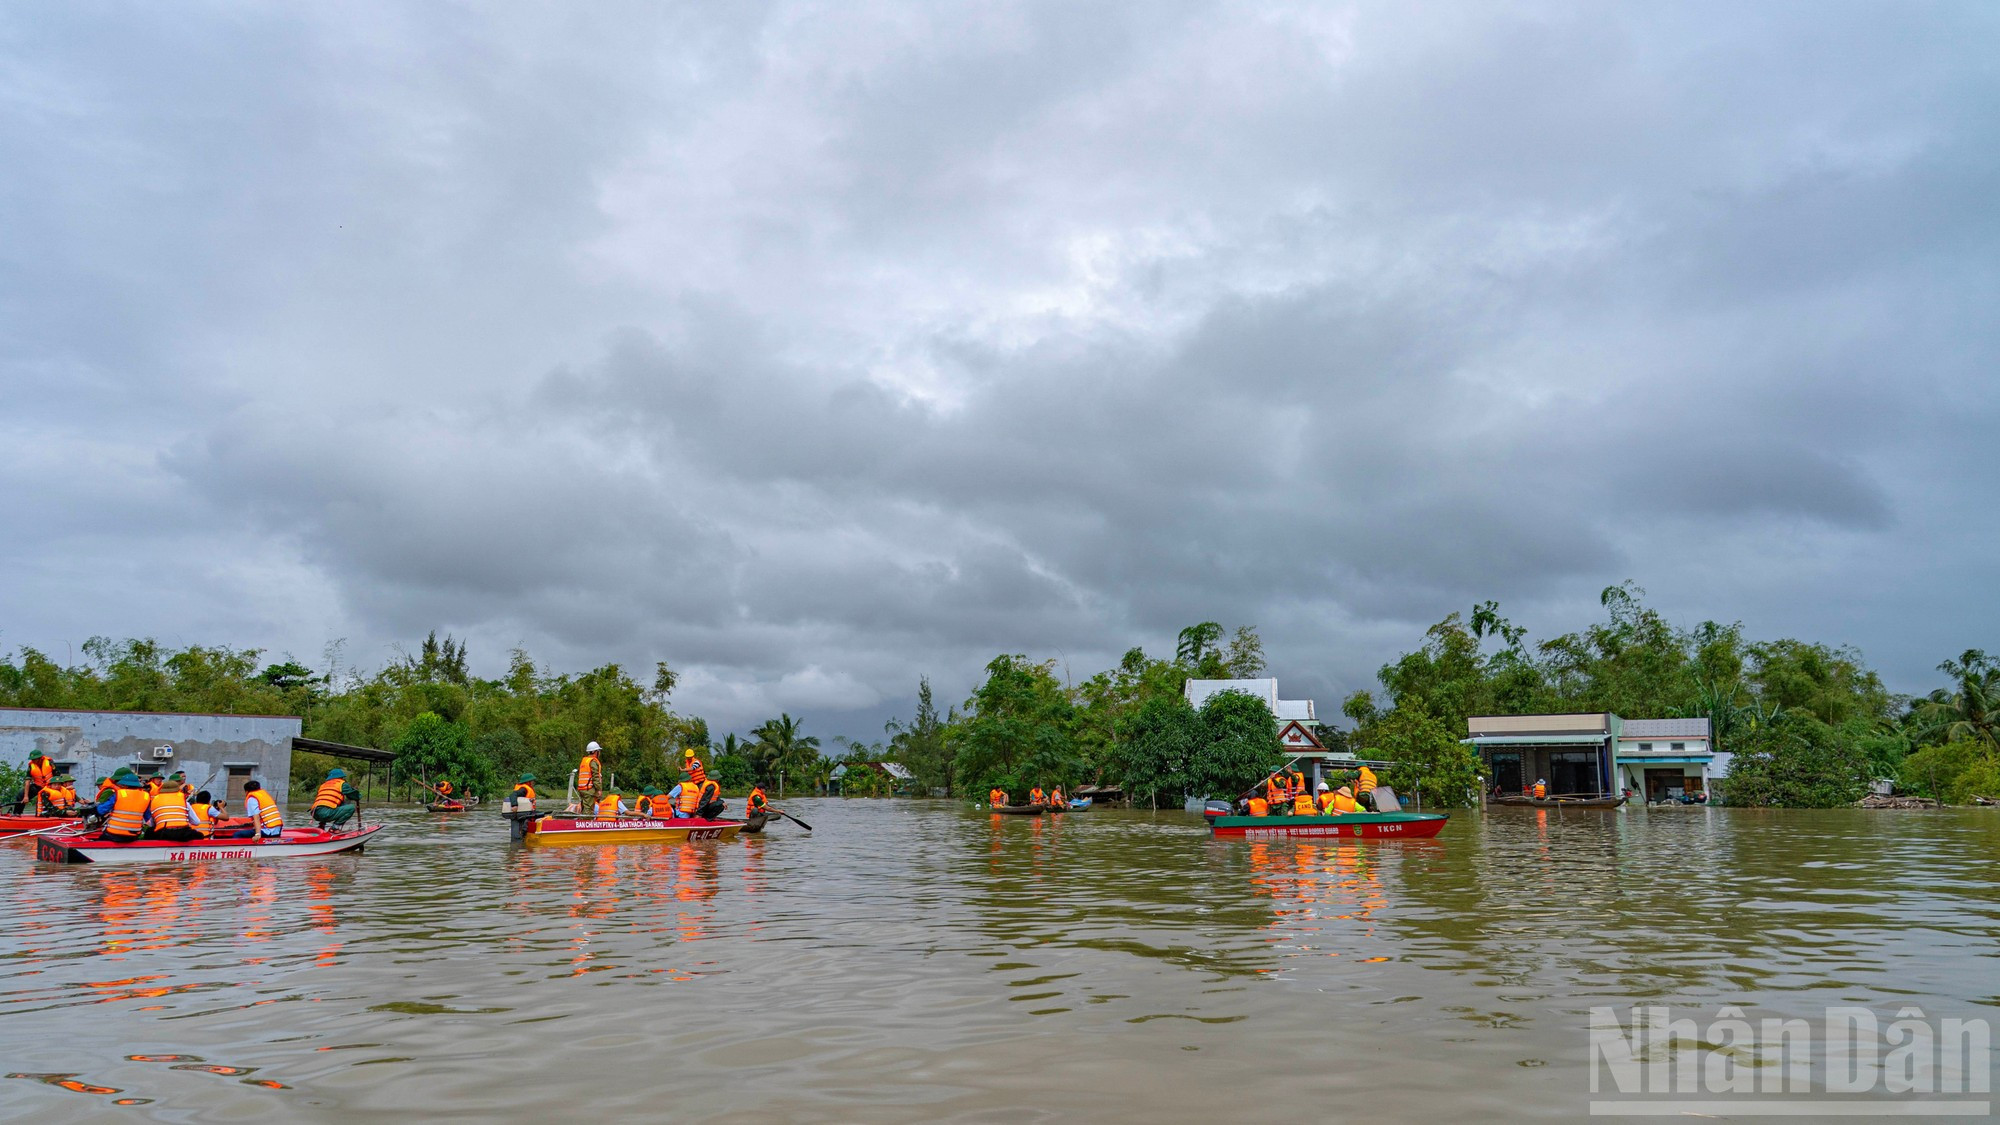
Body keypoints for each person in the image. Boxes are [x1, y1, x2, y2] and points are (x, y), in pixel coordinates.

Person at [97, 773, 152, 842]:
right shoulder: (146, 796)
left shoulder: (119, 793)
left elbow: (101, 810)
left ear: (125, 785)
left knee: (99, 840)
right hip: (133, 835)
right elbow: (148, 818)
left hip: (114, 833)